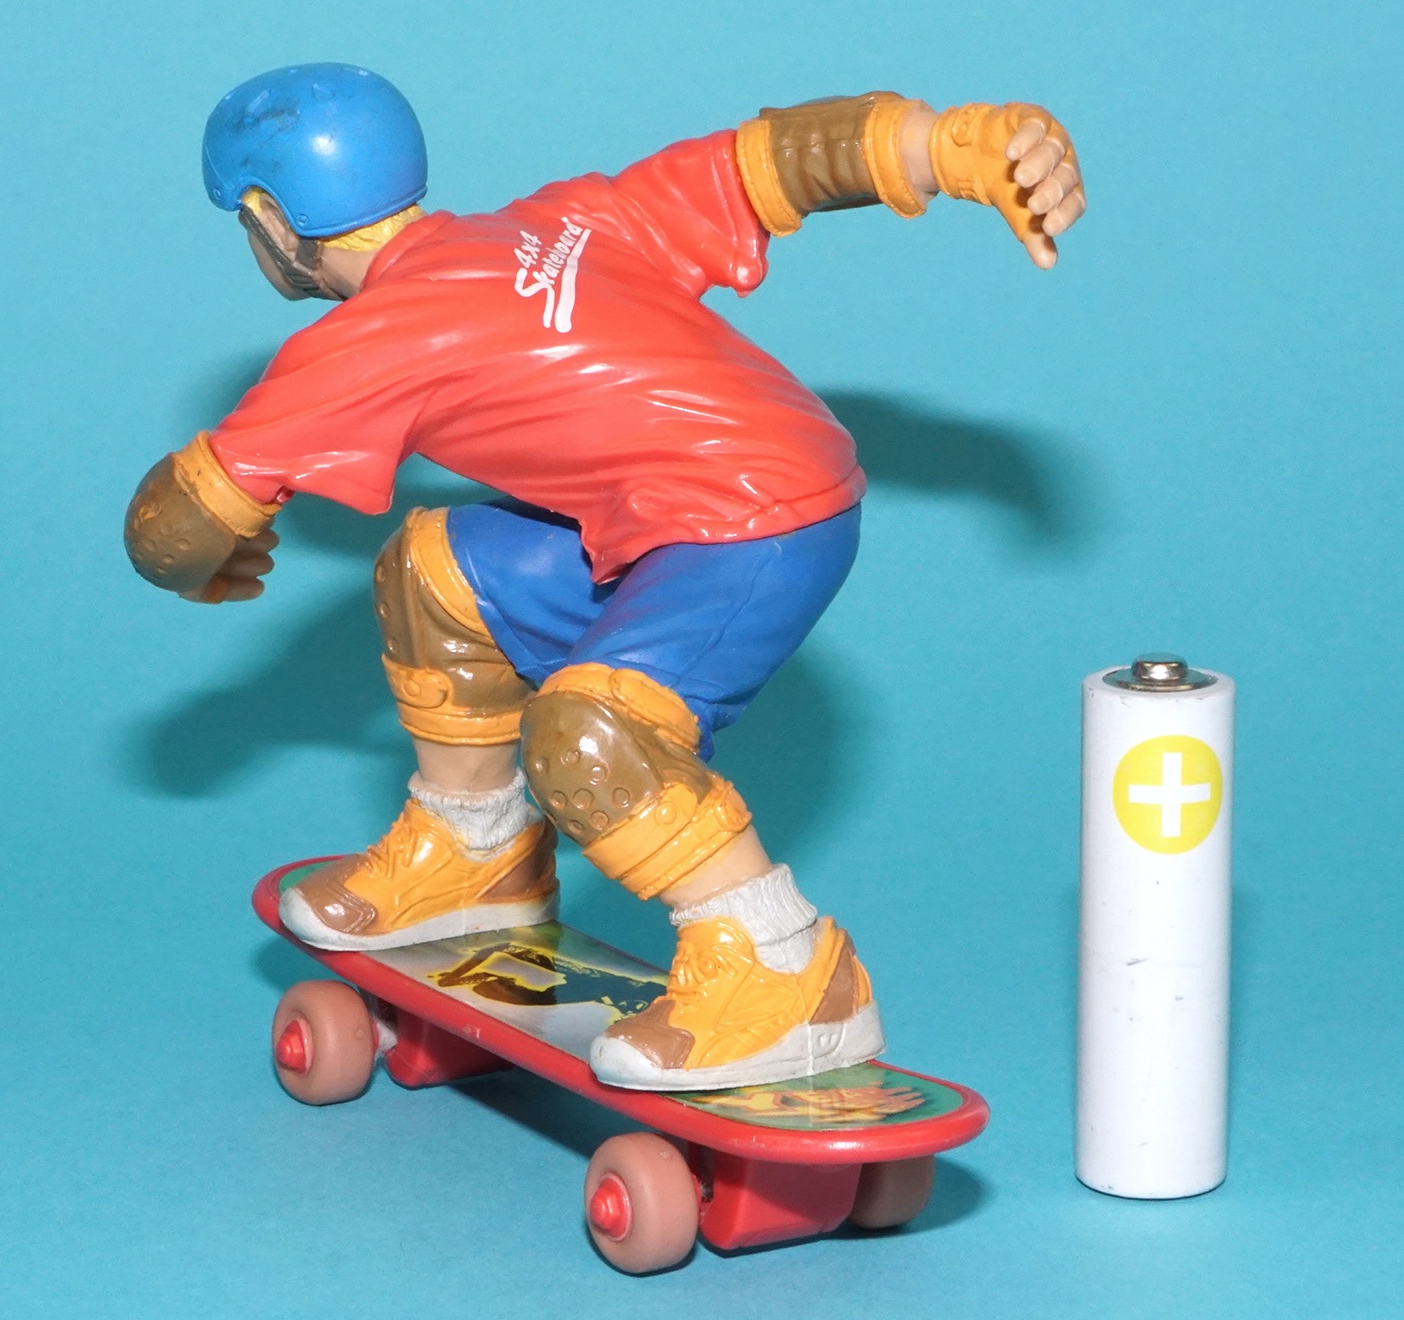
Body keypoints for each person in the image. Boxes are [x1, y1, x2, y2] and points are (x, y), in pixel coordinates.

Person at [126, 63, 1085, 1091]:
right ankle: (475, 851)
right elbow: (764, 164)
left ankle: (787, 971)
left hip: (755, 528)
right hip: (719, 503)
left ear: (270, 219)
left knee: (589, 734)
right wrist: (950, 143)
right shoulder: (554, 223)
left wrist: (210, 553)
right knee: (434, 568)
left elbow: (167, 533)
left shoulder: (355, 348)